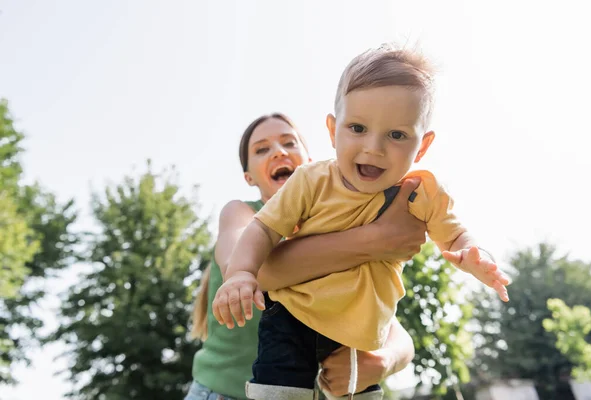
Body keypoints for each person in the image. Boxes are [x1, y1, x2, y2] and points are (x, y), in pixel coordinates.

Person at [213, 44, 511, 400]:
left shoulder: (419, 192)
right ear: (333, 130)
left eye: (397, 134)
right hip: (291, 316)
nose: (374, 147)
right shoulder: (306, 183)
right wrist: (242, 273)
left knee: (363, 390)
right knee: (280, 388)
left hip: (357, 334)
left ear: (422, 146)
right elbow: (261, 232)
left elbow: (457, 236)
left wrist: (475, 256)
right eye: (358, 128)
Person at [186, 112, 428, 400]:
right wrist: (378, 238)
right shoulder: (242, 214)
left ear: (310, 161)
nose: (278, 152)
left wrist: (383, 361)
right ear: (249, 177)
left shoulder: (343, 222)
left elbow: (391, 327)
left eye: (289, 143)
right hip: (222, 394)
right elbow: (255, 272)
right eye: (262, 149)